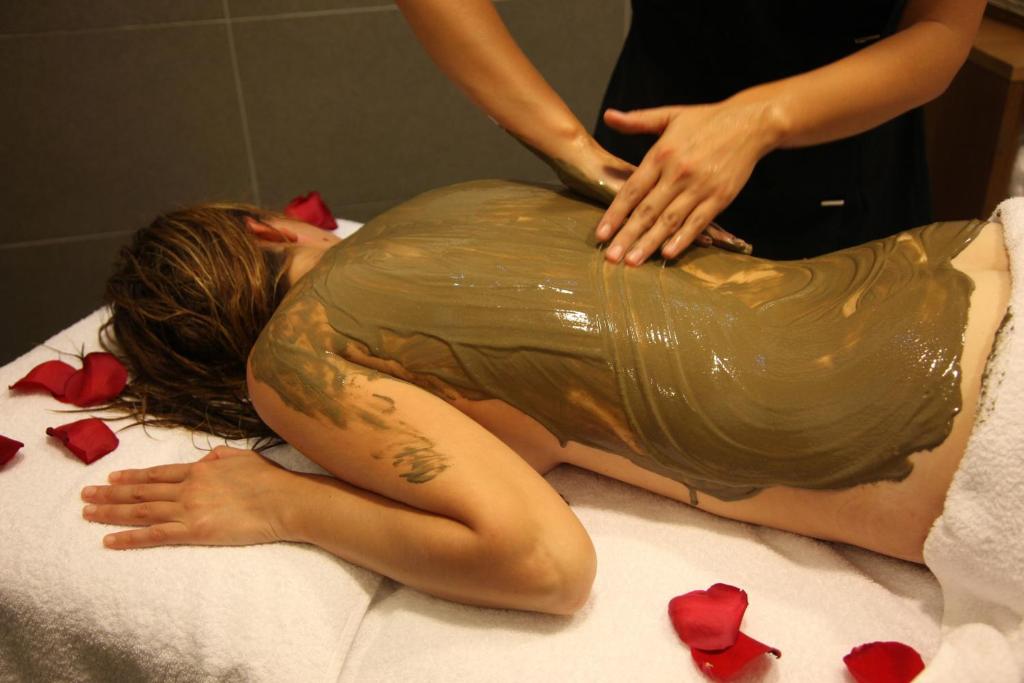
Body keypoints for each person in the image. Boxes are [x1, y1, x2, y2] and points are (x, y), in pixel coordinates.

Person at [83, 180, 1010, 616]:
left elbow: (545, 565)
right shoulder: (453, 199)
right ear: (267, 229)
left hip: (983, 422)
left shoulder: (293, 359)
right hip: (971, 254)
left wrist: (284, 500)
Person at [396, 0, 985, 261]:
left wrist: (761, 118)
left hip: (853, 161)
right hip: (649, 162)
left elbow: (941, 30)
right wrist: (571, 150)